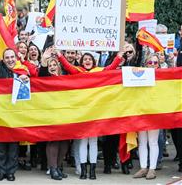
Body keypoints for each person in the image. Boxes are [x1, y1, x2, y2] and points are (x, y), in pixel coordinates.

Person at [57, 48, 125, 180]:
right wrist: (59, 55)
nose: (87, 61)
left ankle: (92, 171)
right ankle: (83, 170)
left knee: (93, 142)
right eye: (85, 59)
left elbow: (110, 68)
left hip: (95, 113)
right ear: (81, 61)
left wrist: (119, 56)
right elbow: (67, 66)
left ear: (93, 61)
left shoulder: (99, 71)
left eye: (89, 59)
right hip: (82, 112)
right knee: (82, 142)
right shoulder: (77, 71)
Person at [0, 38, 30, 182]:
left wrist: (27, 79)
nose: (10, 60)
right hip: (0, 113)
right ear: (3, 60)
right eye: (7, 58)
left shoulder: (22, 71)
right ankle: (1, 172)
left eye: (12, 57)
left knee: (13, 146)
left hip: (16, 114)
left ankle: (11, 172)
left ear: (16, 58)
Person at [39, 47, 69, 180]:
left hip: (63, 114)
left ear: (58, 67)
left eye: (54, 65)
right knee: (53, 141)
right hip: (50, 114)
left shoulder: (65, 79)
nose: (52, 67)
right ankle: (52, 169)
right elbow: (42, 72)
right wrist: (45, 59)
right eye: (50, 65)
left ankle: (58, 167)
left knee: (64, 142)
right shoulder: (45, 78)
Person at [133, 54, 161, 180]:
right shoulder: (139, 76)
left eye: (155, 62)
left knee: (153, 142)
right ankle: (143, 167)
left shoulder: (164, 77)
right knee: (142, 142)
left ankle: (152, 169)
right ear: (146, 64)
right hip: (141, 112)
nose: (153, 65)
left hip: (155, 113)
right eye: (150, 62)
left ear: (159, 64)